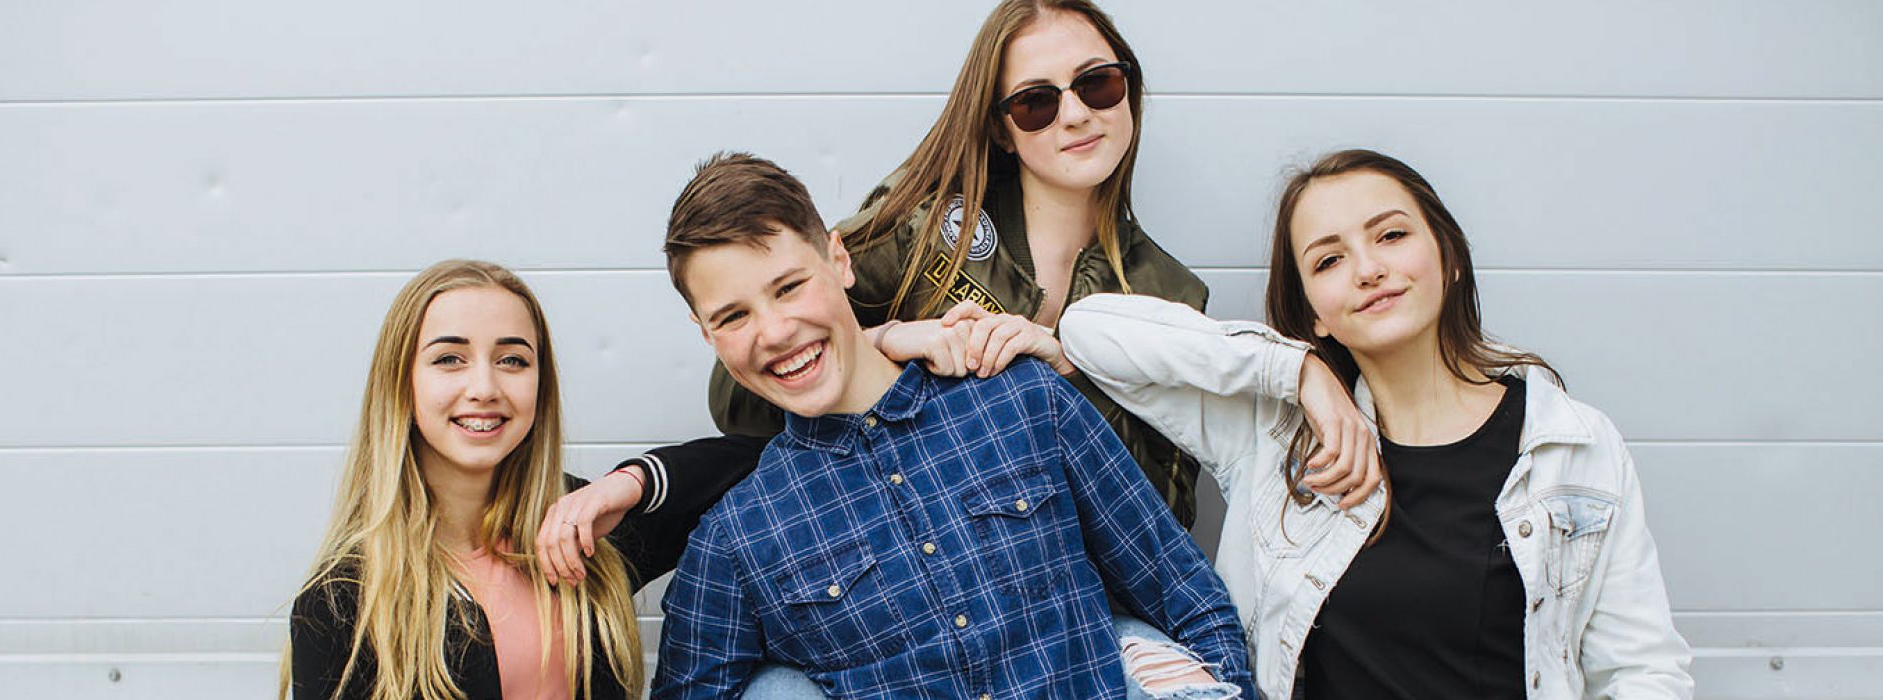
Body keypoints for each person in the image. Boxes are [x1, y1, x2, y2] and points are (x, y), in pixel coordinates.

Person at [1061, 149, 1695, 699]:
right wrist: (1300, 373)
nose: (1367, 269)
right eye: (1328, 261)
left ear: (1448, 258)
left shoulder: (1571, 447)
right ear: (1315, 315)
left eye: (1390, 236)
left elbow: (1642, 671)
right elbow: (1090, 330)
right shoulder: (1273, 436)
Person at [654, 152, 1252, 699]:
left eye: (789, 288)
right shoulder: (738, 539)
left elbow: (1189, 600)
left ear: (839, 261)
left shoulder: (1022, 401)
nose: (776, 331)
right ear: (704, 332)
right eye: (733, 316)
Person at [708, 0, 1274, 529]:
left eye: (1097, 83)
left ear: (1129, 92)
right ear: (1003, 128)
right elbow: (739, 402)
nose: (1075, 115)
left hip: (1069, 593)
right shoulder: (923, 226)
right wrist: (890, 341)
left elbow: (1164, 517)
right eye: (1037, 102)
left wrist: (1071, 371)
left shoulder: (1169, 293)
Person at [283, 260, 766, 700]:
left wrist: (632, 481)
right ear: (401, 385)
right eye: (449, 358)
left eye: (512, 360)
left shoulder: (579, 531)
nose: (485, 388)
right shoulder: (345, 599)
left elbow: (763, 461)